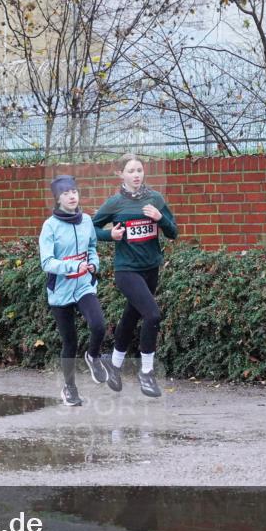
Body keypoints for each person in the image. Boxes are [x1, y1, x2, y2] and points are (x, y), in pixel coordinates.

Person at [92, 154, 177, 397]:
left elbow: (174, 232)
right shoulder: (115, 203)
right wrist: (111, 236)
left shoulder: (155, 198)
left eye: (139, 170)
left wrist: (161, 219)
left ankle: (115, 365)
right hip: (126, 270)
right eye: (131, 171)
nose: (137, 175)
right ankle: (147, 372)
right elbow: (91, 228)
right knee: (152, 315)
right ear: (121, 174)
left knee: (131, 316)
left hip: (151, 269)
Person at [39, 174, 111, 406]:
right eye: (65, 193)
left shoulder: (87, 220)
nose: (71, 196)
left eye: (74, 192)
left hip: (83, 285)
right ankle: (69, 388)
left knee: (98, 325)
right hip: (60, 291)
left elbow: (92, 247)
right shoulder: (49, 226)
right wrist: (72, 265)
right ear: (58, 199)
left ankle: (93, 355)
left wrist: (93, 264)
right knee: (69, 341)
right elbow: (47, 262)